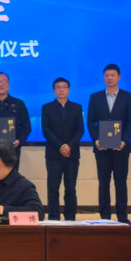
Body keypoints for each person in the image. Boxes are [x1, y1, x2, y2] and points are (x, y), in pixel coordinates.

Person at [87, 64, 131, 223]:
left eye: (112, 75)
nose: (109, 78)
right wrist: (96, 139)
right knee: (103, 182)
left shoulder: (128, 97)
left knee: (120, 182)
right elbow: (90, 122)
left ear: (119, 77)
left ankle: (122, 215)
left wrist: (124, 141)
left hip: (121, 148)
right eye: (106, 75)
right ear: (104, 77)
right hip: (101, 148)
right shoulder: (95, 97)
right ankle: (105, 216)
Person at [41, 77, 84, 221]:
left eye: (64, 87)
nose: (61, 90)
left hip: (72, 154)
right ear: (54, 91)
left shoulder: (77, 107)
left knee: (71, 188)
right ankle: (54, 217)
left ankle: (70, 216)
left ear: (69, 90)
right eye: (58, 87)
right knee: (53, 188)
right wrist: (60, 146)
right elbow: (46, 131)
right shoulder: (47, 108)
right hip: (53, 154)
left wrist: (69, 145)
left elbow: (80, 130)